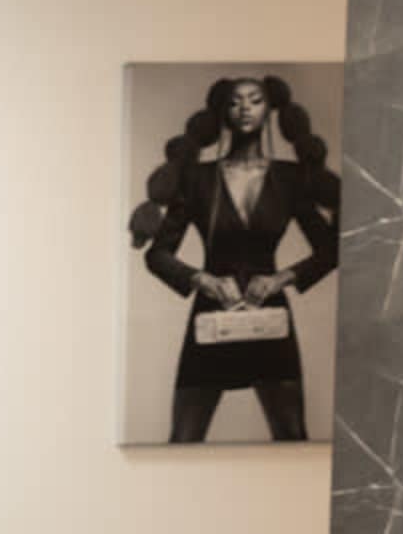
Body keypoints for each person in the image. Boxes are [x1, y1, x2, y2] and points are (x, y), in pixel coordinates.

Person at [132, 72, 337, 443]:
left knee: (292, 439)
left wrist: (281, 278)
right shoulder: (196, 178)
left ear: (270, 110)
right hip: (211, 314)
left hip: (270, 317)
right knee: (184, 440)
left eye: (255, 100)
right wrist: (201, 280)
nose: (244, 108)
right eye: (234, 101)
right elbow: (157, 254)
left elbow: (331, 249)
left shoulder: (291, 178)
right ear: (221, 112)